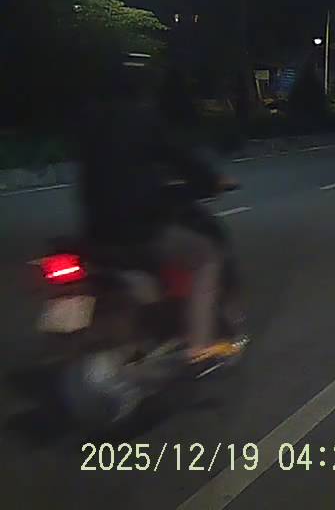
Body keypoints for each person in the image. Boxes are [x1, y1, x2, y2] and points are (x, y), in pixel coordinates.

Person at [76, 56, 240, 367]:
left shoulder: (89, 121)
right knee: (206, 257)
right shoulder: (142, 119)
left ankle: (144, 333)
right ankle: (199, 343)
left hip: (95, 230)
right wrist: (214, 180)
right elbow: (179, 158)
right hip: (138, 229)